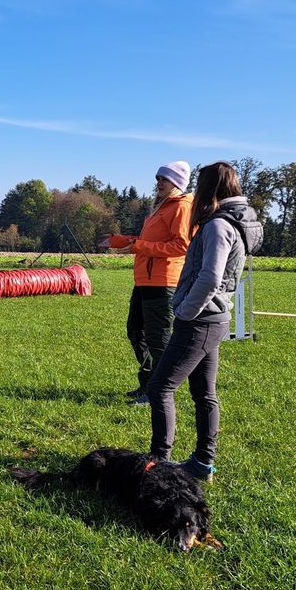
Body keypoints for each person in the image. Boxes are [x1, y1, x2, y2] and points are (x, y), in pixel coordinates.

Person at [147, 161, 263, 481]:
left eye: (200, 186)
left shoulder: (217, 225)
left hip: (200, 320)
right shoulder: (229, 223)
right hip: (215, 318)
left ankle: (158, 463)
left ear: (210, 188)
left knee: (160, 387)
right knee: (204, 393)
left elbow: (210, 277)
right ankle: (201, 464)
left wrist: (185, 311)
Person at [98, 161, 193, 406]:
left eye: (165, 179)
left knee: (158, 339)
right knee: (136, 332)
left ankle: (159, 393)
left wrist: (139, 246)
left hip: (163, 282)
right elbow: (147, 240)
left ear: (178, 183)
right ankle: (148, 384)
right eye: (158, 178)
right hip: (144, 281)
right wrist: (119, 241)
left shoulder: (181, 207)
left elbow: (181, 246)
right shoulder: (160, 207)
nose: (159, 183)